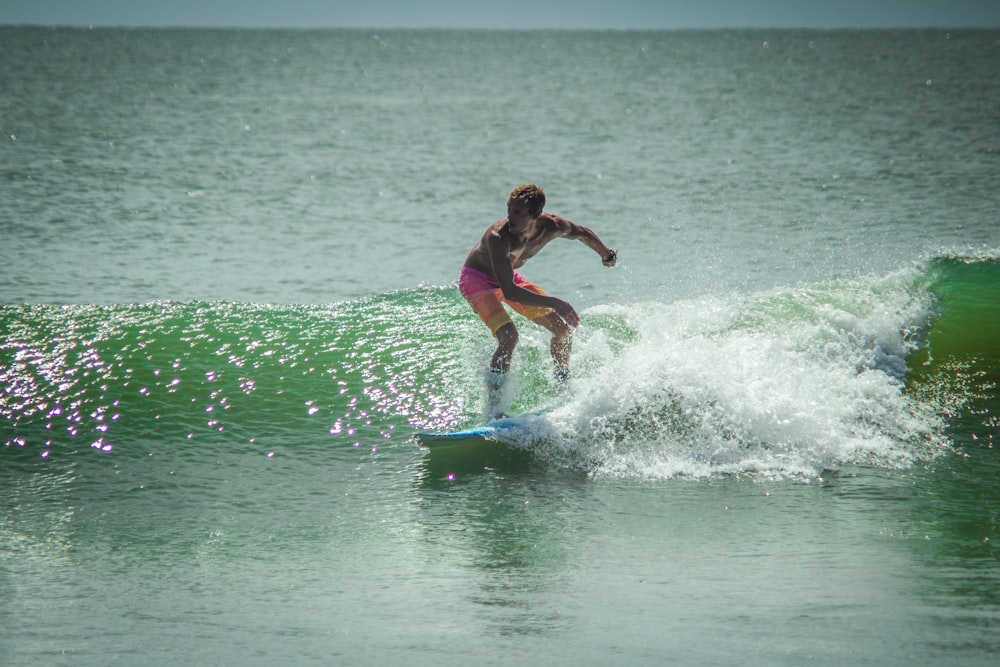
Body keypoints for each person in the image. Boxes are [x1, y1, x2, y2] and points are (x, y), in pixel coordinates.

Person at [459, 184, 617, 417]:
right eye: (509, 209)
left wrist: (606, 254)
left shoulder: (551, 226)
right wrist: (556, 302)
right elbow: (510, 292)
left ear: (535, 215)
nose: (509, 217)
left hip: (509, 277)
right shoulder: (498, 238)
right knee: (509, 336)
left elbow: (582, 232)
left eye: (517, 213)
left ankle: (563, 387)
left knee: (562, 330)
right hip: (478, 282)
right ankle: (495, 411)